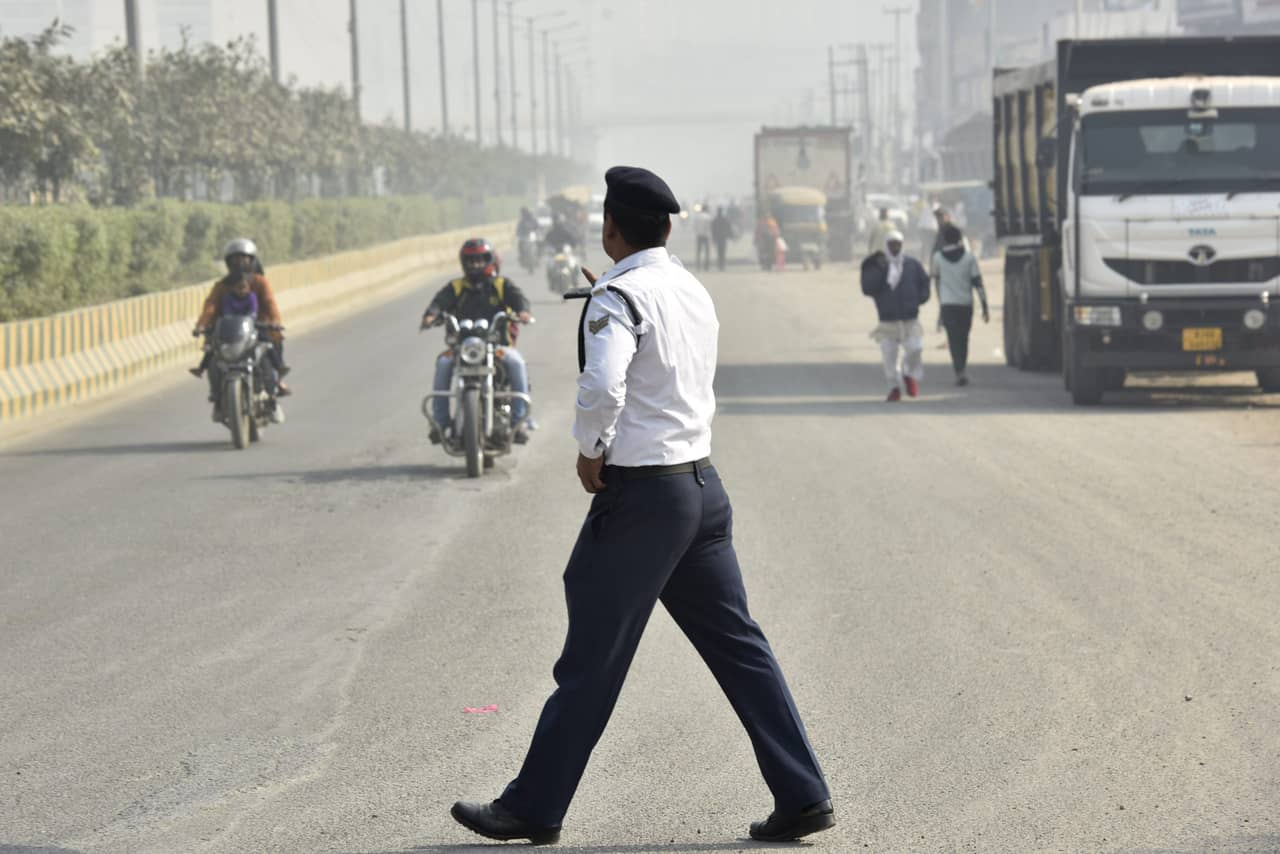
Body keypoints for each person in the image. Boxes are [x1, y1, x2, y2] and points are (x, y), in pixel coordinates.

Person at [451, 166, 834, 846]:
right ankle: (803, 794)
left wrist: (589, 449)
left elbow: (603, 383)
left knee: (591, 655)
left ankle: (533, 807)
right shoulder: (690, 289)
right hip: (701, 491)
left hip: (644, 498)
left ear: (610, 228)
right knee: (742, 649)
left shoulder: (617, 297)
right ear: (665, 226)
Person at [420, 238, 534, 444]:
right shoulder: (455, 287)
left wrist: (523, 311)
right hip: (462, 348)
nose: (475, 265)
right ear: (464, 263)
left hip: (497, 346)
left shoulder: (501, 285)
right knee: (443, 363)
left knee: (516, 362)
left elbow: (518, 298)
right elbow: (439, 302)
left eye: (480, 260)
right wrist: (431, 314)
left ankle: (520, 423)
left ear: (489, 261)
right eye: (471, 261)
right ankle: (440, 423)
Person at [193, 238, 289, 406]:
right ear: (228, 262)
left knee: (270, 348)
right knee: (214, 358)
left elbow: (270, 304)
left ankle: (274, 385)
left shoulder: (260, 282)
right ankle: (217, 394)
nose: (240, 263)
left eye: (244, 258)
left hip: (258, 327)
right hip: (229, 330)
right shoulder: (222, 286)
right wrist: (202, 325)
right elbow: (211, 306)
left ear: (252, 260)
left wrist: (274, 321)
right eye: (235, 259)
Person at [861, 229, 930, 402]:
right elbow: (867, 288)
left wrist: (920, 298)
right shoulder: (877, 265)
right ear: (886, 245)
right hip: (887, 321)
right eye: (891, 244)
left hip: (909, 319)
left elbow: (924, 283)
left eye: (897, 244)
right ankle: (894, 387)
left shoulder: (912, 265)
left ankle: (908, 375)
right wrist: (880, 269)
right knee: (889, 357)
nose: (894, 248)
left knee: (916, 348)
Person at [932, 223, 989, 386]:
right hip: (965, 305)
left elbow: (936, 281)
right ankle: (962, 369)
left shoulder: (937, 258)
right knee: (963, 338)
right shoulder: (969, 258)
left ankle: (958, 370)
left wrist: (940, 302)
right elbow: (978, 283)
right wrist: (984, 306)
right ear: (959, 239)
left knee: (953, 338)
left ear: (944, 240)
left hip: (948, 305)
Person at [711, 206, 732, 271]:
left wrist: (714, 238)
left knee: (719, 251)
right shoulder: (724, 219)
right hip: (723, 238)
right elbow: (728, 228)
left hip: (718, 238)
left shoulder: (715, 220)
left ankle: (720, 264)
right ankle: (722, 264)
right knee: (722, 251)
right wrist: (729, 235)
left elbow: (713, 230)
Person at [693, 202, 713, 271]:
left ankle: (698, 266)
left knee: (699, 251)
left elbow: (694, 226)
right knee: (707, 251)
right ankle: (706, 266)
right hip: (706, 236)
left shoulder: (697, 216)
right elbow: (709, 227)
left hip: (699, 235)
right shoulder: (708, 217)